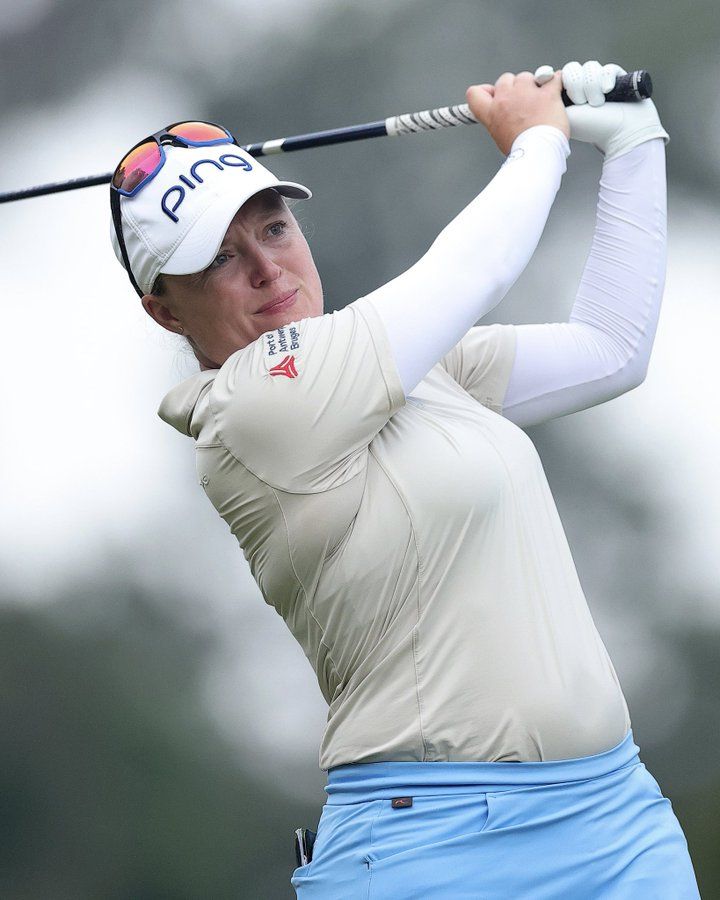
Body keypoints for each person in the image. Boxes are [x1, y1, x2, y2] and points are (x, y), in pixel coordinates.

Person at [110, 61, 699, 898]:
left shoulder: (417, 369)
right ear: (166, 310)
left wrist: (635, 143)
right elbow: (472, 271)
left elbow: (611, 350)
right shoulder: (251, 405)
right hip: (433, 848)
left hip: (617, 819)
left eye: (273, 228)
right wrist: (538, 141)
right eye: (219, 258)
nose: (267, 268)